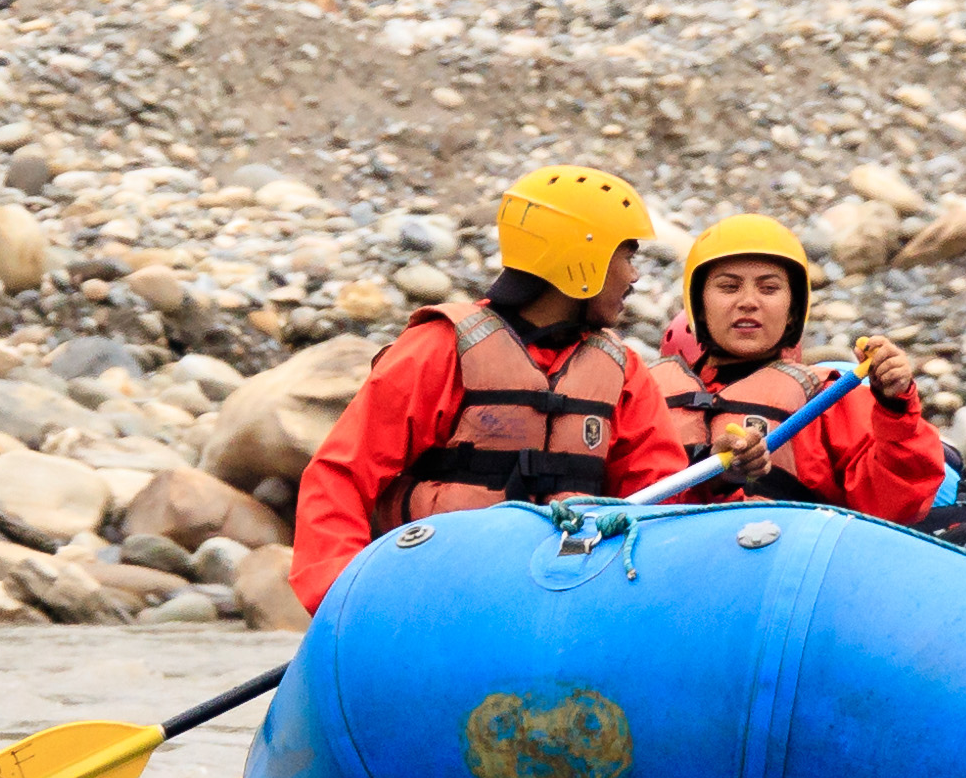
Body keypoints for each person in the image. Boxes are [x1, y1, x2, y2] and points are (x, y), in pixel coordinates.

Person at [287, 163, 689, 609]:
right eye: (627, 256)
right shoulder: (438, 349)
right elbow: (341, 474)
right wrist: (338, 597)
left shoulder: (622, 370)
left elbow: (663, 498)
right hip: (435, 590)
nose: (634, 277)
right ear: (585, 259)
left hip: (566, 595)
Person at [655, 212, 946, 521]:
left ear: (793, 311)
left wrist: (895, 408)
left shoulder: (828, 400)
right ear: (698, 305)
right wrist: (717, 476)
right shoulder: (647, 393)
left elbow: (898, 504)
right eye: (729, 287)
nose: (748, 302)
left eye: (769, 289)